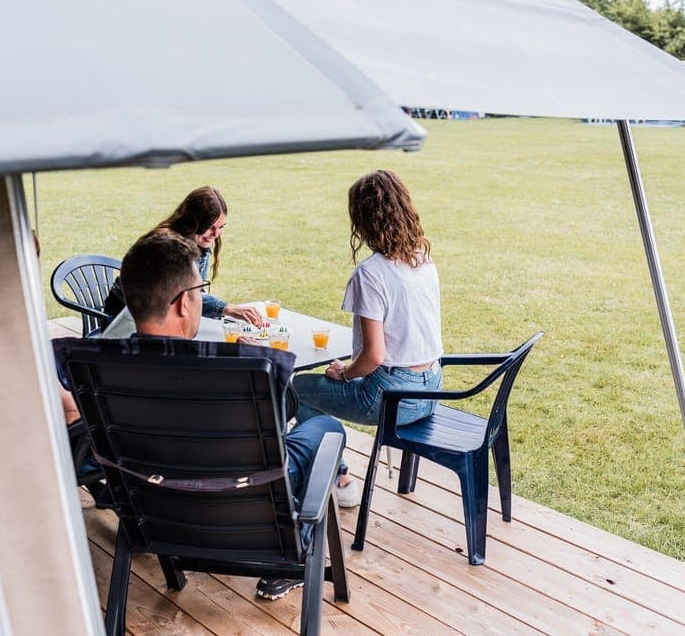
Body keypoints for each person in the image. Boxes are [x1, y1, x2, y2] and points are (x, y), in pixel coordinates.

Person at [120, 230, 344, 601]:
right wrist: (256, 362)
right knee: (326, 429)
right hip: (246, 511)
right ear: (183, 303)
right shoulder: (239, 374)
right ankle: (295, 553)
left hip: (156, 516)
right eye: (199, 290)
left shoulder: (99, 372)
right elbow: (279, 429)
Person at [293, 170, 443, 507]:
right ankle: (325, 469)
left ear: (361, 220)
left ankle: (337, 477)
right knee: (314, 389)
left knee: (297, 389)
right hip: (432, 387)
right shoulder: (422, 258)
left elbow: (374, 355)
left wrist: (344, 373)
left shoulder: (371, 273)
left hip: (392, 397)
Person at [103, 185, 266, 327]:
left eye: (221, 227)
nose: (216, 234)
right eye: (210, 227)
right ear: (193, 222)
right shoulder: (168, 248)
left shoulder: (201, 241)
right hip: (126, 320)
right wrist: (227, 308)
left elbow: (194, 292)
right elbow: (183, 295)